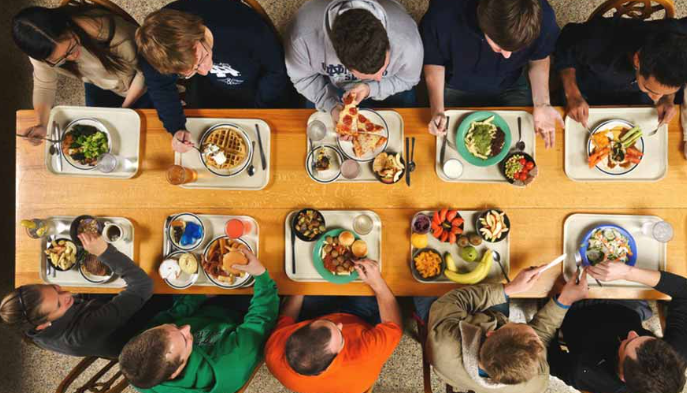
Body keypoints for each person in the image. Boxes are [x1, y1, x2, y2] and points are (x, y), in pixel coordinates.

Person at [136, 0, 291, 153]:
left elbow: (275, 70)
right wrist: (176, 127)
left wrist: (260, 109)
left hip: (258, 86)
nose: (205, 71)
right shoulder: (157, 51)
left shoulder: (245, 29)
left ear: (197, 37)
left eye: (201, 59)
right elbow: (161, 87)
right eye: (192, 71)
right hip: (210, 88)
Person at [118, 249, 279, 393]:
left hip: (203, 310)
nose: (187, 327)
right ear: (176, 371)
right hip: (238, 317)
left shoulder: (139, 357)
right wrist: (261, 275)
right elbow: (261, 319)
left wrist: (200, 296)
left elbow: (170, 316)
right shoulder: (231, 361)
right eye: (185, 339)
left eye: (173, 327)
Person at [424, 266, 589, 393]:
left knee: (421, 286)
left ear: (490, 332)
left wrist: (509, 289)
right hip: (459, 374)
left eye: (517, 324)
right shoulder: (536, 384)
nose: (538, 336)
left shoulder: (444, 339)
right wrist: (564, 301)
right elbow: (542, 334)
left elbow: (454, 300)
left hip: (446, 346)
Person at [420, 0, 562, 148]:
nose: (507, 56)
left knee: (524, 143)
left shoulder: (543, 18)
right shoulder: (442, 14)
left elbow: (539, 57)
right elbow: (434, 62)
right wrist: (437, 110)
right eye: (499, 47)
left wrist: (543, 103)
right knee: (448, 144)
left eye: (516, 49)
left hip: (510, 83)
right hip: (456, 84)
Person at [12, 1, 149, 145]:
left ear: (67, 27)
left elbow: (145, 71)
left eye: (71, 47)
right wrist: (42, 123)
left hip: (137, 81)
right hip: (99, 81)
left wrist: (122, 109)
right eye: (61, 59)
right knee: (96, 135)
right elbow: (44, 86)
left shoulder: (107, 31)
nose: (73, 57)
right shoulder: (42, 52)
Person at [0, 233, 153, 359]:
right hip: (143, 327)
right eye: (59, 304)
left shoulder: (34, 327)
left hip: (101, 310)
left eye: (55, 288)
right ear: (43, 325)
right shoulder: (85, 332)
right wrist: (104, 252)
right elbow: (143, 285)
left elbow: (78, 300)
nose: (67, 293)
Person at [264, 259, 402, 393]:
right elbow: (394, 325)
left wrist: (301, 284)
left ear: (295, 331)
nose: (340, 323)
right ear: (331, 362)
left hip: (317, 312)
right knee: (384, 278)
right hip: (361, 316)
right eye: (341, 336)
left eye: (330, 322)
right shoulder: (367, 354)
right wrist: (377, 282)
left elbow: (287, 317)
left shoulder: (274, 352)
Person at [548, 262, 687, 393]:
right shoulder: (673, 359)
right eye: (647, 337)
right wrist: (628, 272)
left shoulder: (583, 373)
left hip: (575, 309)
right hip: (625, 305)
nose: (632, 333)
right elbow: (684, 291)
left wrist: (562, 302)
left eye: (627, 344)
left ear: (623, 377)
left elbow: (546, 353)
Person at [285, 0, 423, 123]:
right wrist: (331, 106)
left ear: (388, 43)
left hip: (393, 81)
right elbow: (303, 78)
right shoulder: (301, 39)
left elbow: (408, 79)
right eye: (368, 77)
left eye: (383, 68)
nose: (379, 78)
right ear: (342, 62)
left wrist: (371, 88)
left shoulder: (408, 43)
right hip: (331, 87)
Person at [555, 17, 687, 135]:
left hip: (635, 92)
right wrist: (572, 94)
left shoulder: (681, 36)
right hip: (590, 86)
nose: (656, 98)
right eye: (652, 91)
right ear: (637, 60)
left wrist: (668, 97)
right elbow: (565, 40)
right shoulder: (598, 40)